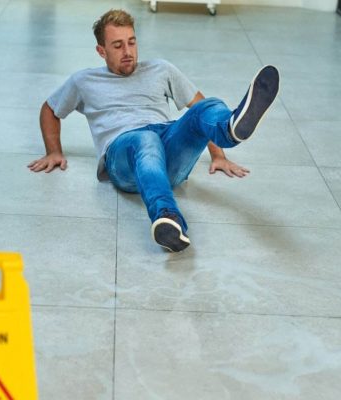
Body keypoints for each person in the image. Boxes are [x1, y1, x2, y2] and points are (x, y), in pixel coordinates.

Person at [28, 9, 279, 252]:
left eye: (132, 42)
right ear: (101, 51)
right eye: (117, 46)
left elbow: (199, 108)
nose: (128, 52)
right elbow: (50, 109)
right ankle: (168, 218)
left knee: (209, 106)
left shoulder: (161, 69)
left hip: (168, 149)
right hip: (123, 154)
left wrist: (219, 155)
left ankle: (230, 130)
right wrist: (54, 152)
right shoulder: (84, 81)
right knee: (145, 139)